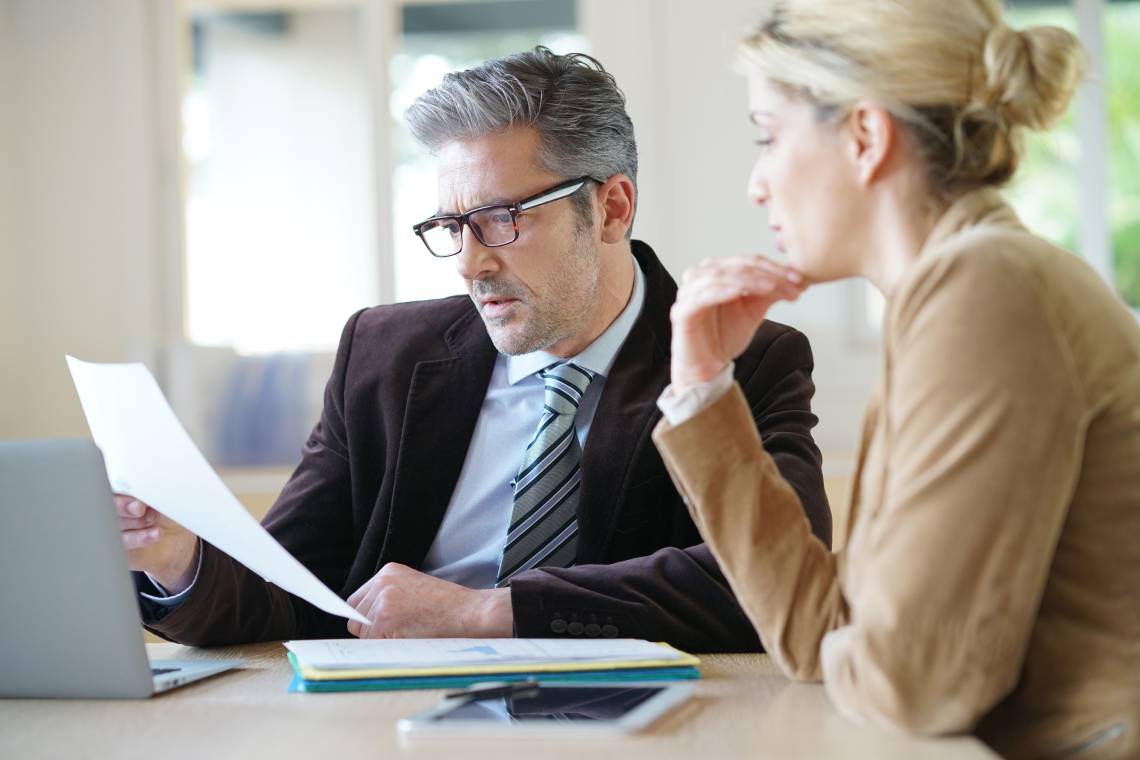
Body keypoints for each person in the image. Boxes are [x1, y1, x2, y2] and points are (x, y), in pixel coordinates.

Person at [116, 47, 831, 652]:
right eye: (452, 225)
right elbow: (287, 586)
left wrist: (487, 613)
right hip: (386, 722)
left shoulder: (740, 359)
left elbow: (771, 583)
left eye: (499, 220)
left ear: (611, 207)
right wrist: (177, 559)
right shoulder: (383, 355)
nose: (469, 263)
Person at [652, 1, 1139, 757]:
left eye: (769, 137)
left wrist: (869, 642)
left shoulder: (986, 289)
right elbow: (821, 637)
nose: (757, 184)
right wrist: (704, 388)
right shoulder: (954, 290)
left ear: (865, 137)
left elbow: (910, 681)